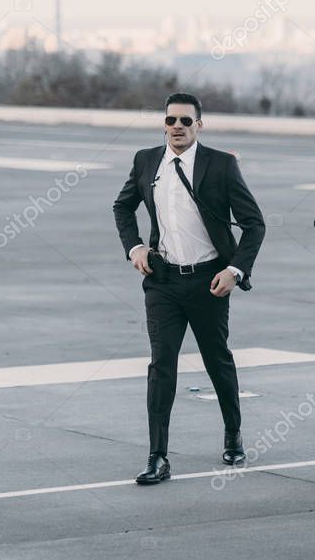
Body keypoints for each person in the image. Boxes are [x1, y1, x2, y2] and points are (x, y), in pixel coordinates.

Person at [113, 92, 266, 485]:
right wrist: (134, 247)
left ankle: (233, 435)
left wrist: (234, 270)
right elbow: (123, 206)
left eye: (185, 121)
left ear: (200, 124)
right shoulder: (147, 161)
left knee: (217, 360)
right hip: (162, 282)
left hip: (208, 281)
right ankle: (157, 457)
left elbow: (254, 224)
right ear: (163, 124)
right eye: (170, 121)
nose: (177, 127)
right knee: (160, 365)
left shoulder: (222, 164)